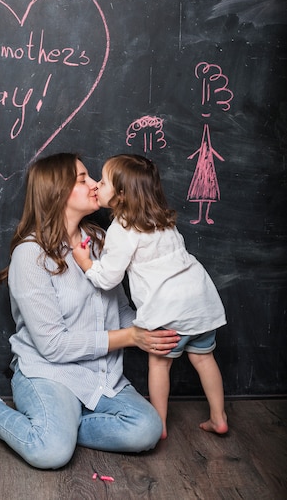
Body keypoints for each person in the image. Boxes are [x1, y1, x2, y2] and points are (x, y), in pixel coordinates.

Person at [0, 152, 180, 469]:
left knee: (147, 430)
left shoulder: (100, 241)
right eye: (82, 179)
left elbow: (122, 309)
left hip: (99, 376)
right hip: (50, 374)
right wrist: (131, 337)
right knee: (51, 453)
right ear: (56, 193)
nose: (95, 185)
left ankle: (55, 429)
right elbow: (53, 346)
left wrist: (157, 331)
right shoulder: (30, 255)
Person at [73, 153, 228, 440]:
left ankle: (159, 425)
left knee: (159, 364)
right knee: (205, 359)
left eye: (104, 182)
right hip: (202, 302)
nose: (98, 186)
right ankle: (219, 417)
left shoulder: (121, 228)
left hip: (169, 309)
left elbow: (108, 279)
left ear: (120, 194)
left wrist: (85, 263)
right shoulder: (162, 219)